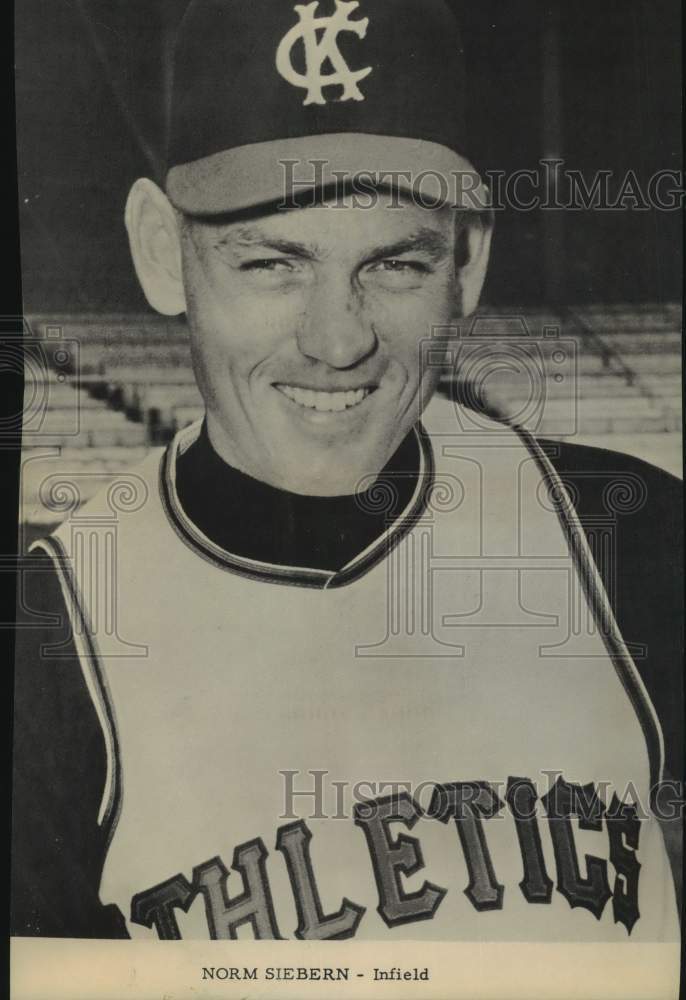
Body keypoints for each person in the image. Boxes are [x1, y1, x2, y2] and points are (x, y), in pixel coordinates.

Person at [12, 0, 682, 943]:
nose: (338, 340)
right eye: (272, 264)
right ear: (162, 253)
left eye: (396, 265)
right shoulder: (54, 633)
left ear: (468, 259)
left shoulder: (642, 541)